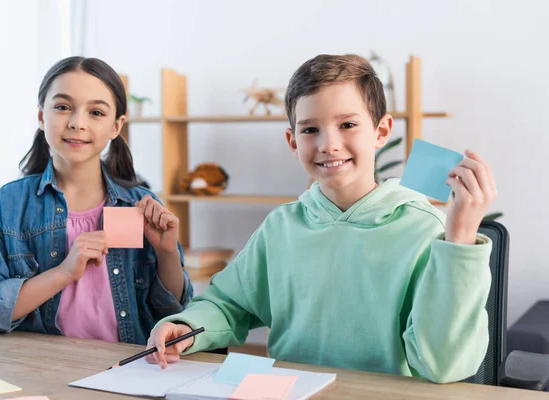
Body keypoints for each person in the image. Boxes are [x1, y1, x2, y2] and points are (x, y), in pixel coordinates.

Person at [146, 54, 497, 384]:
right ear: (292, 141)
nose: (329, 144)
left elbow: (443, 364)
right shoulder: (281, 226)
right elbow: (228, 304)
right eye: (310, 129)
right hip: (290, 390)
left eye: (347, 124)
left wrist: (460, 241)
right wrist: (188, 325)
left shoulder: (423, 228)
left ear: (382, 131)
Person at [0, 56, 193, 345]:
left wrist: (167, 253)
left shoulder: (139, 206)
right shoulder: (8, 206)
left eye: (96, 112)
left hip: (127, 368)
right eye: (62, 107)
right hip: (40, 369)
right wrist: (63, 273)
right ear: (42, 115)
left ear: (116, 126)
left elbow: (173, 311)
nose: (77, 123)